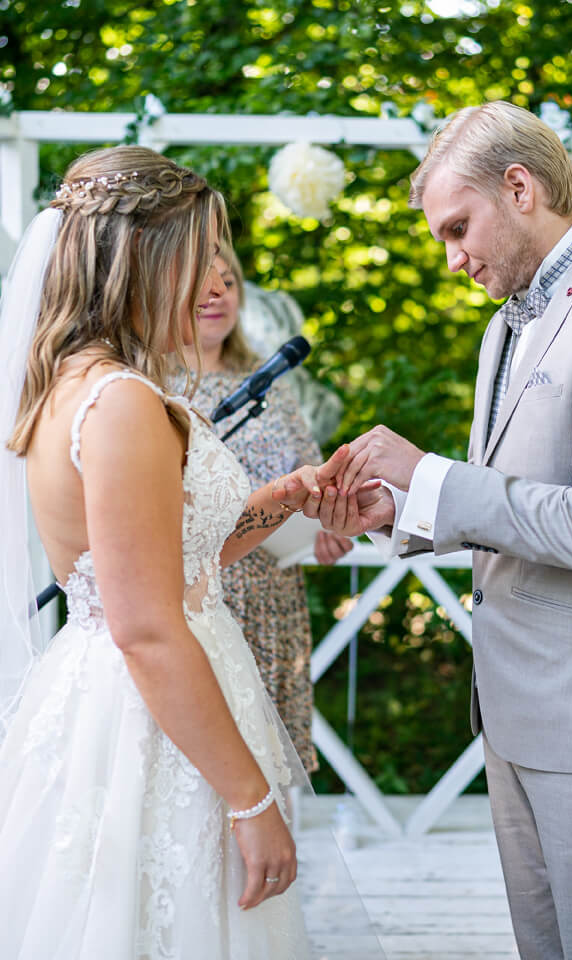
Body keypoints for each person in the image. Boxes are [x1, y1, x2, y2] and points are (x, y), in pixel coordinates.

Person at [0, 145, 368, 959]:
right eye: (199, 258)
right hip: (150, 723)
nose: (212, 282)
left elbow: (176, 555)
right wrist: (251, 800)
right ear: (143, 262)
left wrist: (284, 497)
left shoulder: (73, 381)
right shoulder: (119, 402)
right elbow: (148, 627)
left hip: (122, 696)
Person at [329, 101, 572, 960]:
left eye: (458, 229)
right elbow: (517, 502)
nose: (453, 258)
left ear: (519, 187)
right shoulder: (505, 326)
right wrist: (405, 510)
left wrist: (432, 474)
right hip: (515, 713)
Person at [177, 242, 354, 774]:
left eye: (228, 283)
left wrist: (326, 525)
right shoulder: (152, 384)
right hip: (197, 591)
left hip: (271, 593)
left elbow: (310, 470)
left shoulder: (270, 383)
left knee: (268, 760)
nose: (218, 296)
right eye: (203, 285)